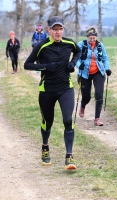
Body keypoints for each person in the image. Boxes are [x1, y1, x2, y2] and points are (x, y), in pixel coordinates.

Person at [24, 16, 81, 170]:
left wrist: (73, 63)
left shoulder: (69, 43)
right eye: (55, 29)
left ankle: (69, 156)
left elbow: (78, 51)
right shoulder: (41, 46)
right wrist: (44, 66)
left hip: (65, 88)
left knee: (68, 120)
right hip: (47, 90)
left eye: (60, 29)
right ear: (49, 30)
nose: (58, 32)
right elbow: (27, 65)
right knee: (47, 122)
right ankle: (45, 147)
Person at [75, 26, 111, 126]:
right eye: (90, 38)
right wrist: (79, 65)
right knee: (86, 97)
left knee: (99, 94)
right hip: (84, 73)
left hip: (98, 72)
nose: (92, 40)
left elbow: (105, 58)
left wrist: (107, 68)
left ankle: (97, 118)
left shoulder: (100, 45)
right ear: (87, 37)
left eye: (94, 38)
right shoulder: (81, 45)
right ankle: (83, 105)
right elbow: (76, 58)